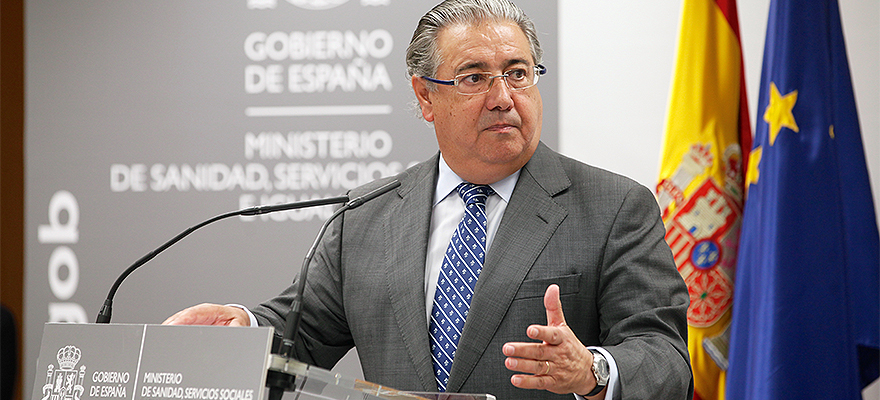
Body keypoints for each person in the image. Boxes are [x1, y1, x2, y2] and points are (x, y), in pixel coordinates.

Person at [164, 0, 693, 398]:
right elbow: (299, 333)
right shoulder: (366, 215)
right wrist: (244, 326)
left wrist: (593, 370)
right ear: (425, 96)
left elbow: (666, 358)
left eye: (517, 73)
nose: (504, 97)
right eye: (474, 78)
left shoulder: (614, 206)